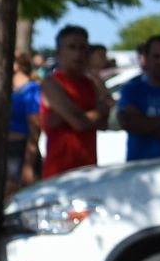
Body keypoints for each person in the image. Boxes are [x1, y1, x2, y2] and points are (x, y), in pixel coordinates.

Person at [40, 24, 113, 178]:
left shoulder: (90, 83)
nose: (78, 54)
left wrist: (87, 116)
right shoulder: (52, 83)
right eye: (72, 47)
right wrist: (98, 112)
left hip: (87, 168)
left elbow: (104, 123)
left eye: (83, 48)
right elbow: (79, 123)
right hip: (59, 171)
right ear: (59, 53)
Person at [7, 50, 43, 195]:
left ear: (16, 66)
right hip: (9, 151)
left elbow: (35, 128)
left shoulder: (31, 89)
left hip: (21, 151)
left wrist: (28, 164)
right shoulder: (14, 91)